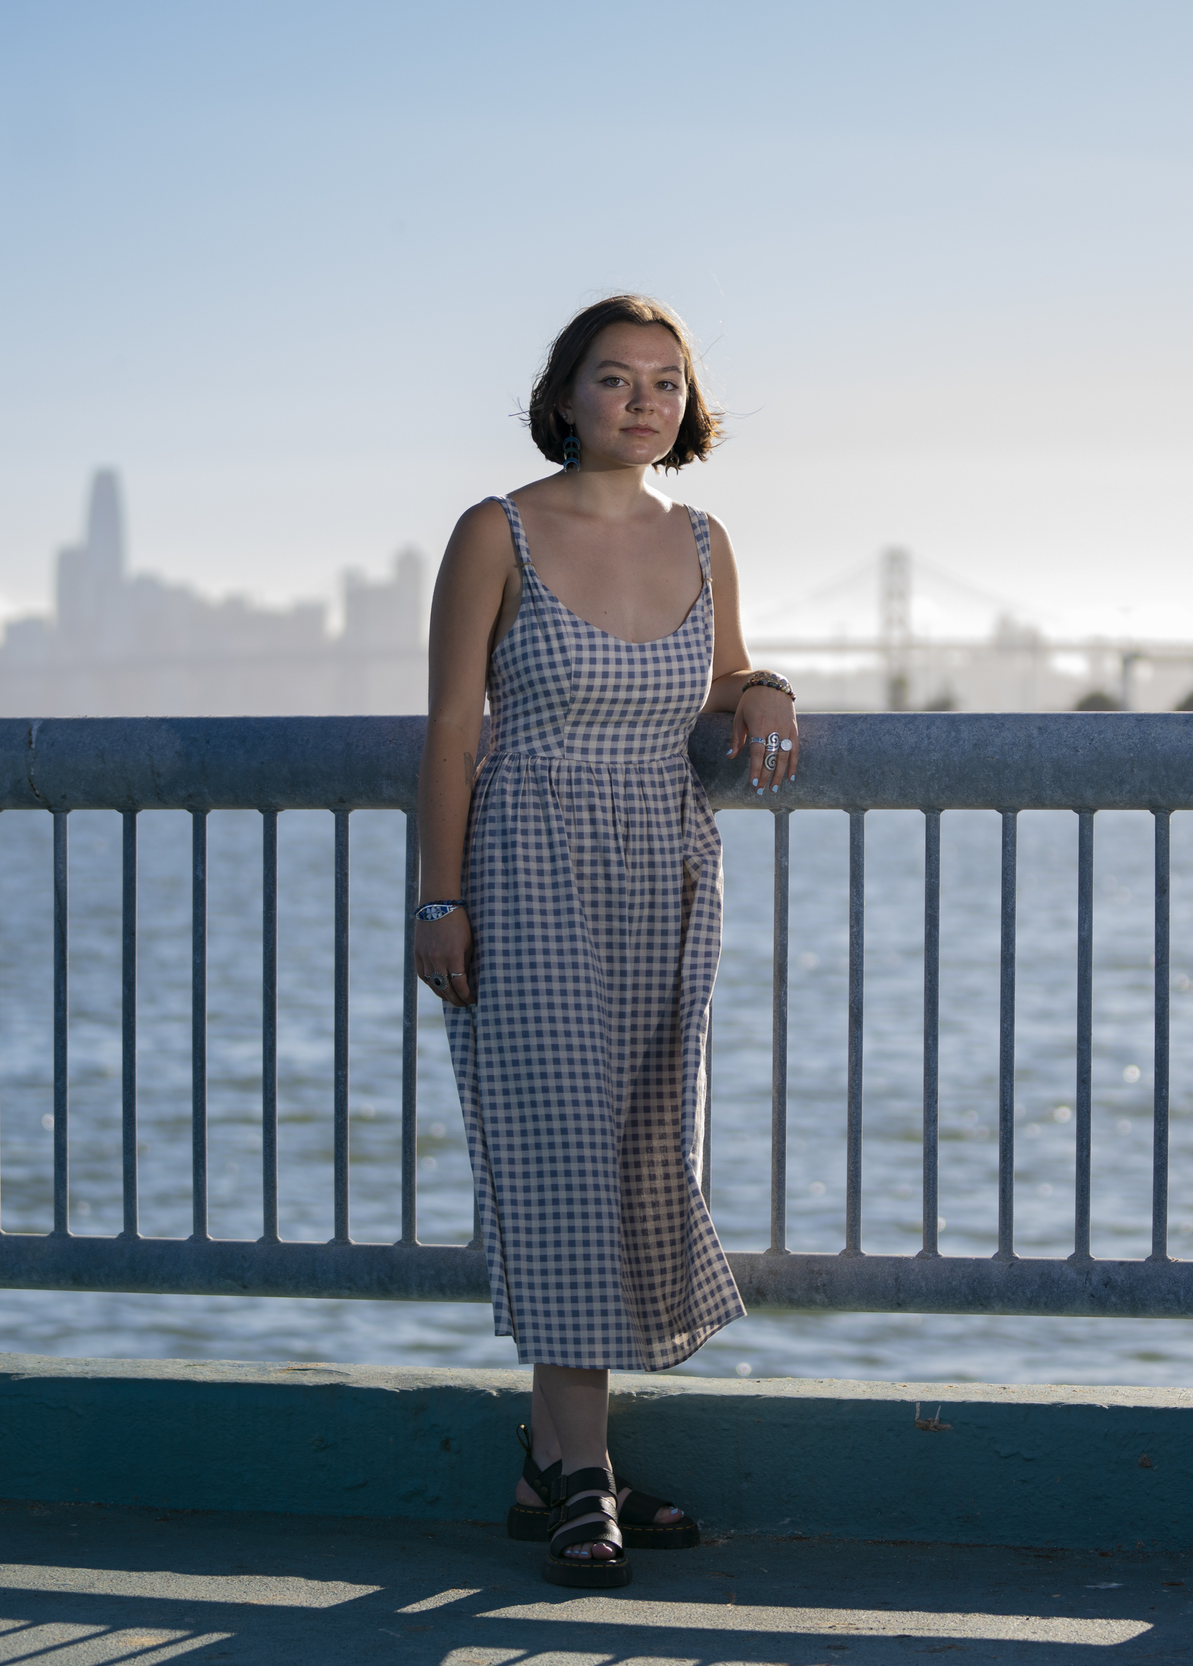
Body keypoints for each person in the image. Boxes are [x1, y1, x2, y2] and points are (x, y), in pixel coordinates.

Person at [411, 295, 800, 1587]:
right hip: (526, 861)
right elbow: (453, 734)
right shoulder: (497, 531)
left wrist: (764, 690)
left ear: (689, 407)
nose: (643, 401)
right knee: (559, 1157)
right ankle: (587, 1478)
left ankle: (546, 1460)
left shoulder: (703, 536)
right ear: (565, 394)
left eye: (666, 383)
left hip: (664, 864)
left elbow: (726, 674)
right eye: (615, 378)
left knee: (632, 1154)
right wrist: (440, 898)